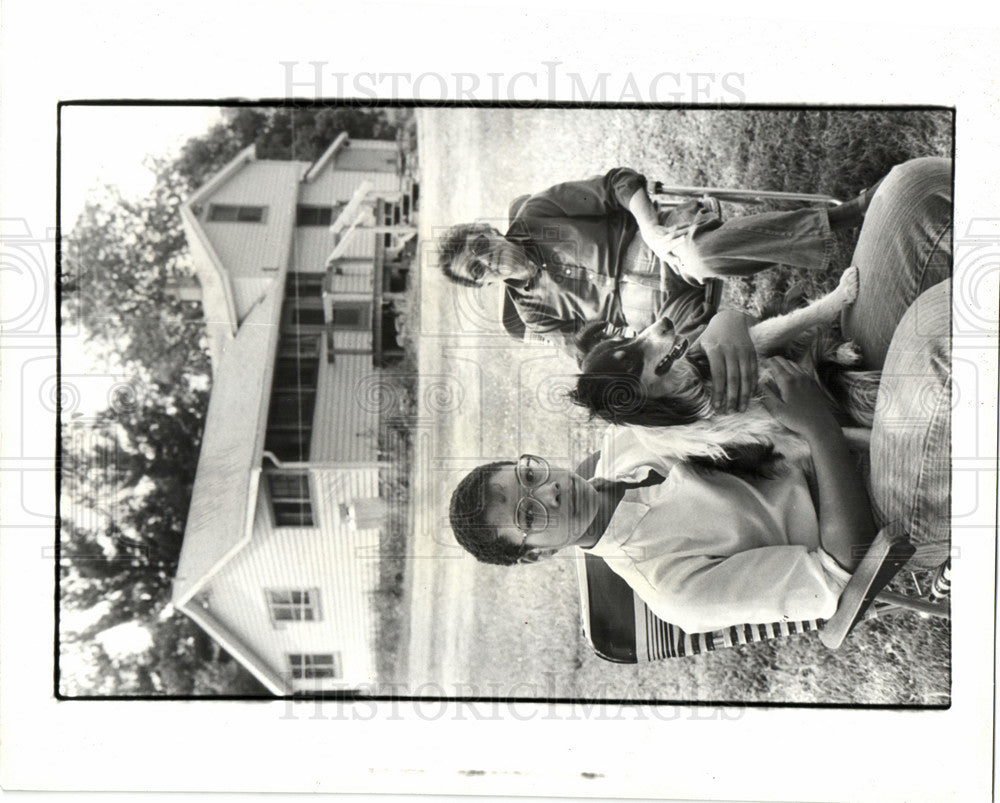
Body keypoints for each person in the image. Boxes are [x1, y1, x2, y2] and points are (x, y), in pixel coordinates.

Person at [448, 156, 952, 632]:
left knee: (911, 191)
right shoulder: (672, 587)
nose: (549, 490)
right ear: (538, 554)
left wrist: (727, 323)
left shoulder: (628, 439)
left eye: (529, 476)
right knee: (938, 329)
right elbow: (844, 577)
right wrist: (818, 428)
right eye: (530, 514)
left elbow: (704, 364)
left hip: (843, 383)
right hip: (886, 502)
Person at [437, 167, 877, 367]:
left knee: (702, 255)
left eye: (480, 244)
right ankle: (815, 353)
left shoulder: (537, 214)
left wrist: (648, 226)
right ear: (483, 285)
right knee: (699, 366)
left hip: (661, 249)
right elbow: (584, 353)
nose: (487, 259)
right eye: (477, 270)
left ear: (488, 230)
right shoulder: (533, 313)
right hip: (658, 320)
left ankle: (849, 213)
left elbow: (619, 183)